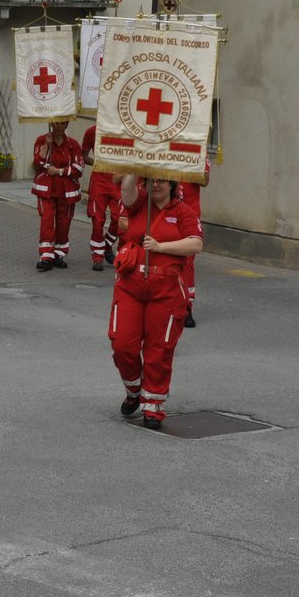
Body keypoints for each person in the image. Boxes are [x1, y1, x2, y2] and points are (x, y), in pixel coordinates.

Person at [108, 175, 203, 429]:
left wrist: (161, 247)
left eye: (162, 180)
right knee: (122, 344)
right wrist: (135, 163)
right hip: (131, 286)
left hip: (166, 290)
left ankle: (154, 406)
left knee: (159, 348)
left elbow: (196, 243)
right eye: (151, 180)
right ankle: (134, 390)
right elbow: (127, 189)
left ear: (172, 185)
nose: (156, 185)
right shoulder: (139, 204)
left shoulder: (183, 212)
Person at [30, 119, 83, 270]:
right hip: (46, 188)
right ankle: (46, 255)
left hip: (67, 191)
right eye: (56, 124)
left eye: (62, 124)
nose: (58, 127)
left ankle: (59, 254)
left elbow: (78, 169)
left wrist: (59, 171)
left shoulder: (73, 144)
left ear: (66, 125)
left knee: (64, 223)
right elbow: (37, 163)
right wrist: (46, 146)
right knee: (46, 220)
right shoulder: (42, 140)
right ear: (51, 124)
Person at [82, 123, 122, 271]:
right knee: (97, 219)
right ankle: (97, 256)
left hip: (118, 179)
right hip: (99, 179)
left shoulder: (122, 130)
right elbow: (84, 155)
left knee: (119, 218)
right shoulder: (91, 131)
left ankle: (106, 245)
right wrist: (97, 163)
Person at [178, 159, 210, 326]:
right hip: (166, 211)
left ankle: (187, 306)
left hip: (189, 214)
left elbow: (204, 180)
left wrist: (186, 164)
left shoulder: (196, 148)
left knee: (187, 261)